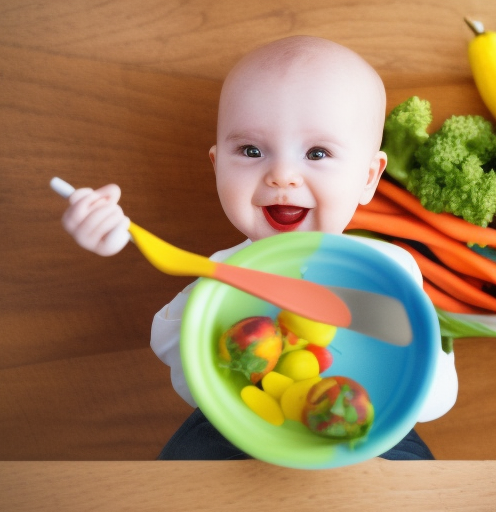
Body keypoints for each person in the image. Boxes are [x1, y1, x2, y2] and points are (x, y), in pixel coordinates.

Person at [60, 35, 457, 460]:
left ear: (368, 177)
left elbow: (437, 400)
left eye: (317, 152)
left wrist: (415, 374)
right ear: (217, 167)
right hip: (241, 432)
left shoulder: (390, 269)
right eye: (251, 150)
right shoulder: (219, 272)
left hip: (372, 434)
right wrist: (123, 236)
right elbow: (189, 383)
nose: (282, 175)